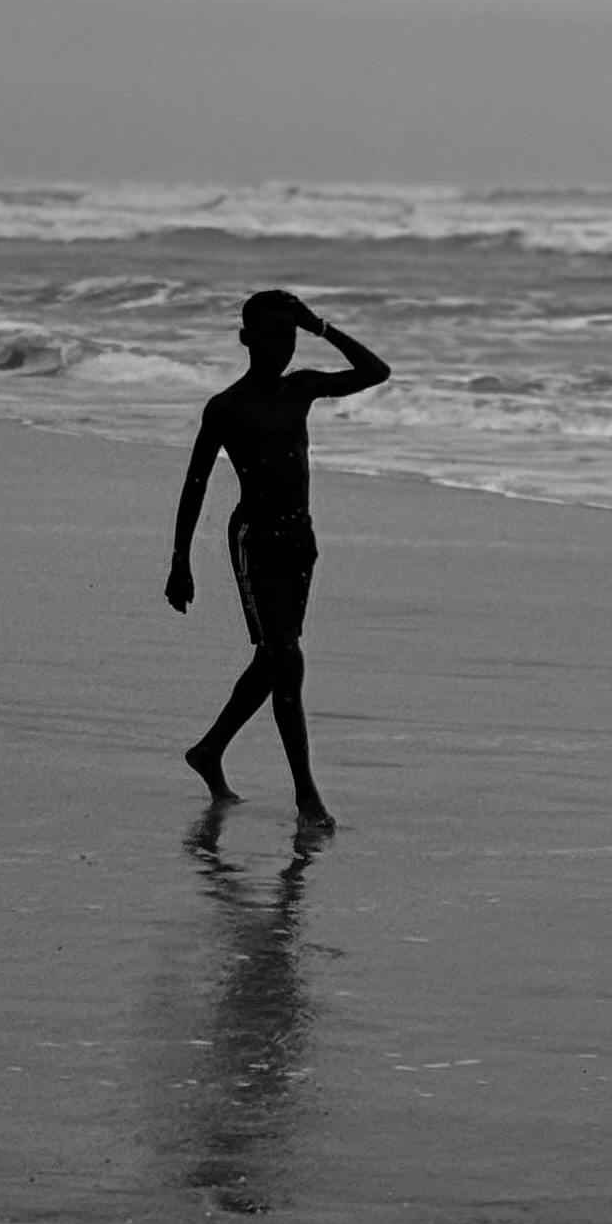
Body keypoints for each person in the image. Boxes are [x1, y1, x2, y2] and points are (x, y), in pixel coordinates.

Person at [167, 289, 390, 827]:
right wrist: (180, 560)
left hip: (299, 541)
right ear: (246, 339)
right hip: (255, 542)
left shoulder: (303, 387)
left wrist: (321, 326)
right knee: (287, 658)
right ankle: (307, 798)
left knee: (274, 660)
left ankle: (209, 750)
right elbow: (195, 483)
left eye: (289, 337)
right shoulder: (225, 408)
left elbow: (375, 371)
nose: (281, 347)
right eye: (271, 336)